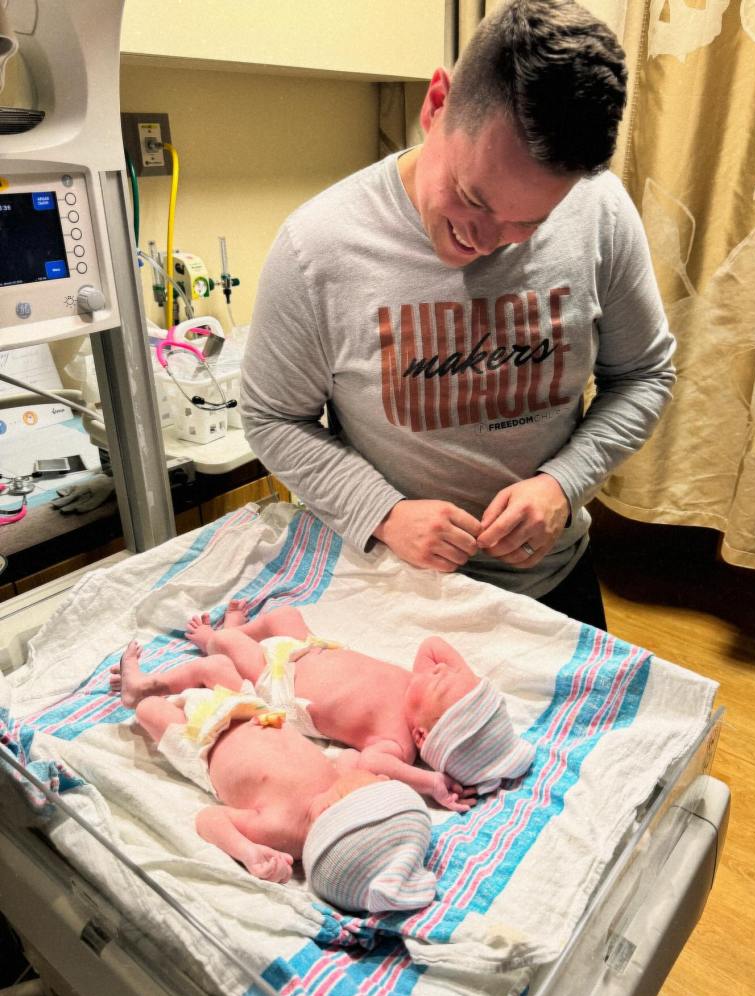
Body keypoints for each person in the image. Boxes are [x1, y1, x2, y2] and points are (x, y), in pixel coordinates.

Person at [241, 0, 676, 632]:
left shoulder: (600, 211)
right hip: (398, 588)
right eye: (473, 198)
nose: (488, 240)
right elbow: (273, 417)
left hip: (554, 583)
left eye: (530, 225)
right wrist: (383, 512)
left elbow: (644, 375)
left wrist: (562, 483)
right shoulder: (318, 246)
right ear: (437, 103)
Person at [112, 599, 535, 808]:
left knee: (225, 650)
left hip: (282, 684)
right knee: (284, 615)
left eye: (445, 685)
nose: (443, 670)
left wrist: (428, 783)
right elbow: (433, 644)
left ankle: (170, 669)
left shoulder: (396, 740)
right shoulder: (420, 684)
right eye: (455, 673)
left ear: (424, 734)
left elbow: (375, 767)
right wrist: (465, 683)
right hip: (311, 650)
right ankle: (238, 629)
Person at [117, 642, 438, 914]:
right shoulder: (339, 781)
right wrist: (361, 773)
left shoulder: (282, 830)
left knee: (149, 711)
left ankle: (140, 694)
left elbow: (209, 819)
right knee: (217, 665)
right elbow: (353, 758)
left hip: (202, 741)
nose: (383, 778)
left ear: (341, 812)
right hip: (256, 712)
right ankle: (149, 682)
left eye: (382, 787)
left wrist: (247, 852)